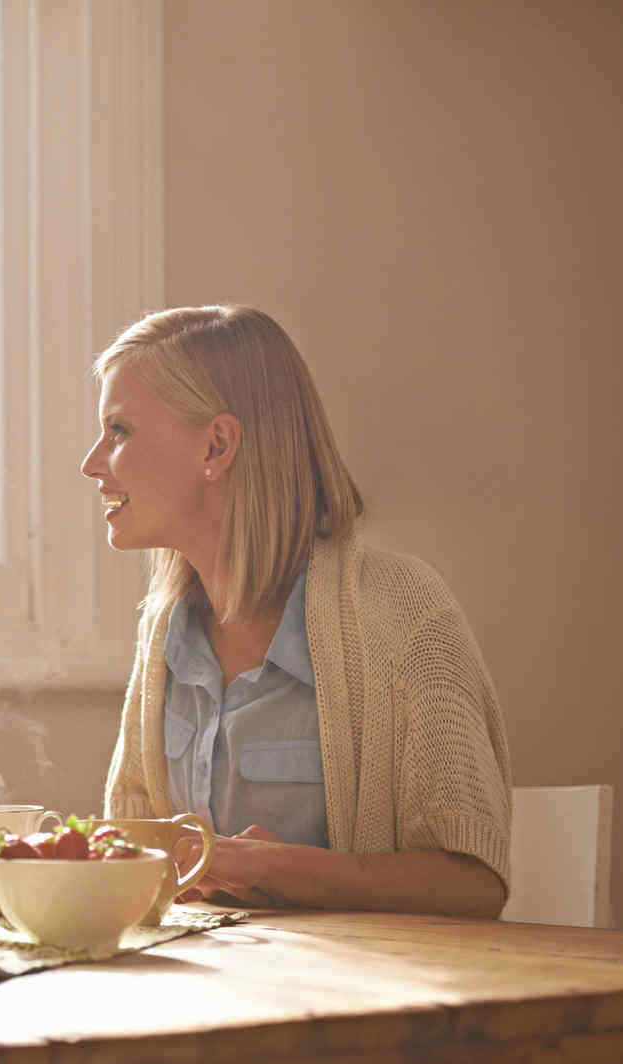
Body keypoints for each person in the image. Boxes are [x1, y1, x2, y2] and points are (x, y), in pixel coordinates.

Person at [82, 305, 510, 918]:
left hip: (354, 1000)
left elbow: (475, 886)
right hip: (200, 995)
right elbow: (129, 864)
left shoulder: (401, 612)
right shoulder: (163, 629)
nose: (92, 462)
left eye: (119, 431)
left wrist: (271, 869)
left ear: (217, 444)